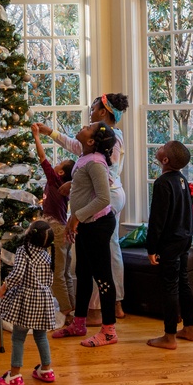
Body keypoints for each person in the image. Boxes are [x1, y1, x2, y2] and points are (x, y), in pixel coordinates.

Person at [35, 92, 129, 321]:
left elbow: (106, 175)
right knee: (108, 249)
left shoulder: (111, 140)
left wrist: (73, 183)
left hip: (106, 197)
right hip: (103, 196)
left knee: (101, 253)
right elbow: (77, 146)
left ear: (103, 112)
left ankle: (98, 310)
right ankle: (114, 304)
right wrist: (50, 132)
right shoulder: (98, 141)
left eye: (94, 108)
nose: (90, 112)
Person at [51, 121, 119, 347]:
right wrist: (73, 184)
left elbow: (104, 198)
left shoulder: (96, 163)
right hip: (86, 225)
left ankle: (109, 331)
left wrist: (76, 216)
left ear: (91, 141)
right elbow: (89, 185)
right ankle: (79, 323)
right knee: (83, 272)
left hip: (97, 225)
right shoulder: (85, 158)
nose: (83, 125)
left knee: (103, 278)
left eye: (89, 126)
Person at [144, 140, 193, 350]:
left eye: (162, 148)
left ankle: (169, 337)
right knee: (183, 282)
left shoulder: (162, 183)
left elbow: (157, 220)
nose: (159, 148)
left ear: (165, 160)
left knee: (170, 286)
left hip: (171, 242)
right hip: (185, 238)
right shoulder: (182, 180)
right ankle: (189, 328)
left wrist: (152, 248)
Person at [0, 221, 58, 385]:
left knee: (18, 337)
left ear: (30, 234)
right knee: (41, 336)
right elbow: (49, 279)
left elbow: (18, 274)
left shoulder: (24, 251)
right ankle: (46, 369)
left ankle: (14, 374)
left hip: (27, 300)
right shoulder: (47, 254)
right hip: (44, 300)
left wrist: (4, 286)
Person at [30, 123, 75, 325]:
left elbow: (42, 158)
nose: (55, 164)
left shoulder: (56, 180)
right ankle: (74, 308)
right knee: (65, 273)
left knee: (58, 274)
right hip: (63, 229)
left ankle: (67, 312)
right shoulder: (58, 183)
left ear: (62, 173)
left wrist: (36, 136)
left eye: (60, 163)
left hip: (57, 231)